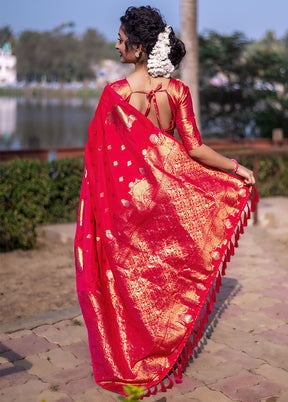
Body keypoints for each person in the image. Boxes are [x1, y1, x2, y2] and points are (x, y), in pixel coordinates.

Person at [75, 6, 257, 397]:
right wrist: (235, 168)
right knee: (162, 276)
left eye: (122, 39)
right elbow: (196, 150)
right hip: (165, 203)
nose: (117, 44)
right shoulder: (176, 92)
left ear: (139, 48)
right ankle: (161, 346)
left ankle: (131, 354)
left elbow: (99, 160)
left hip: (124, 209)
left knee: (126, 280)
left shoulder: (114, 96)